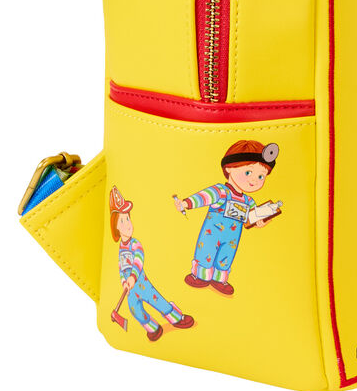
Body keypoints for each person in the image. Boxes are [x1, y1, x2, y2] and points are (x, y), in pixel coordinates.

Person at [174, 140, 279, 295]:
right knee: (206, 253)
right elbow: (204, 197)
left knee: (226, 257)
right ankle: (200, 276)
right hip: (211, 234)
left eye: (261, 176)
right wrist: (186, 203)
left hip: (232, 238)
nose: (254, 180)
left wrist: (260, 222)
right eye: (248, 172)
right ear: (229, 168)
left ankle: (219, 279)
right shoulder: (221, 191)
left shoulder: (248, 201)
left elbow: (251, 217)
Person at [110, 185, 194, 342]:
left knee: (157, 301)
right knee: (134, 309)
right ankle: (152, 327)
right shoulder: (120, 248)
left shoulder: (135, 244)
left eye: (128, 218)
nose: (127, 224)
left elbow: (138, 260)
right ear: (115, 227)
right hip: (130, 289)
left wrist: (133, 277)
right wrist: (124, 282)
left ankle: (176, 318)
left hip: (141, 283)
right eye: (122, 221)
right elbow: (121, 268)